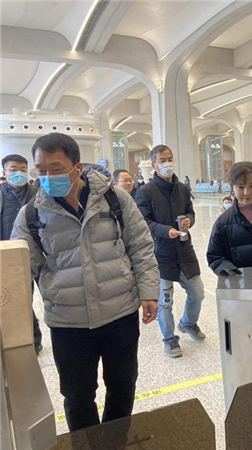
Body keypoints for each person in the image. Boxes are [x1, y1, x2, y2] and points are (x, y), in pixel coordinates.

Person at [11, 133, 159, 432]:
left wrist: (149, 291)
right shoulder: (31, 214)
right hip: (68, 322)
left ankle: (114, 442)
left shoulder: (115, 199)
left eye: (55, 169)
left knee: (122, 387)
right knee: (77, 397)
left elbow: (141, 245)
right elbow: (19, 269)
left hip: (119, 312)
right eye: (41, 171)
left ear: (77, 168)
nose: (47, 177)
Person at [136, 145, 205, 358]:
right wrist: (165, 231)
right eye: (162, 160)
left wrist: (189, 220)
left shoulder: (182, 188)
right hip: (161, 254)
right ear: (154, 165)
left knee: (197, 293)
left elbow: (190, 212)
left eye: (170, 159)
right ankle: (169, 339)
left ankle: (188, 323)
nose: (167, 163)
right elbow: (143, 222)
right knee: (165, 302)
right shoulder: (146, 192)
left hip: (185, 251)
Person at [1, 154, 42, 354]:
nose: (19, 173)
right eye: (14, 169)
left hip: (40, 256)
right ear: (4, 172)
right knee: (21, 299)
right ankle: (32, 340)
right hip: (11, 259)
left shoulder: (38, 194)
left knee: (53, 297)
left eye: (23, 169)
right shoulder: (1, 197)